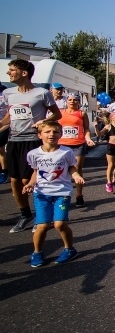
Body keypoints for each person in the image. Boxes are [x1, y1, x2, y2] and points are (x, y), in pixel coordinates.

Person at [2, 59, 61, 233]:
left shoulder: (42, 93)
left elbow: (56, 114)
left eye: (12, 70)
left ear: (24, 73)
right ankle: (25, 214)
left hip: (33, 141)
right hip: (14, 140)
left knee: (29, 180)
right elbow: (9, 117)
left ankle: (41, 216)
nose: (8, 73)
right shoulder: (8, 93)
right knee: (14, 181)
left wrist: (44, 121)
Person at [23, 121, 84, 267]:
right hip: (41, 194)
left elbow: (71, 167)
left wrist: (76, 175)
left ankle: (69, 249)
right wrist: (31, 184)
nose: (51, 134)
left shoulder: (66, 152)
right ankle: (37, 252)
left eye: (55, 132)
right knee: (42, 226)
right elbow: (36, 172)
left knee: (60, 224)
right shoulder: (33, 154)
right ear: (40, 135)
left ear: (60, 134)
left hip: (62, 192)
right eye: (47, 132)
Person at [57, 91, 95, 206]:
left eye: (75, 100)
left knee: (77, 169)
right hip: (62, 144)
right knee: (61, 170)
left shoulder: (82, 113)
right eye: (70, 99)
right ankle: (63, 195)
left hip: (78, 144)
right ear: (66, 101)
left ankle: (79, 195)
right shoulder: (60, 113)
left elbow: (86, 128)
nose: (72, 101)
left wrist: (88, 139)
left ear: (78, 101)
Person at [97, 111, 115, 192]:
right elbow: (99, 134)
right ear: (112, 118)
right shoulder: (108, 126)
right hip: (111, 147)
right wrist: (95, 127)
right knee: (111, 165)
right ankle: (109, 183)